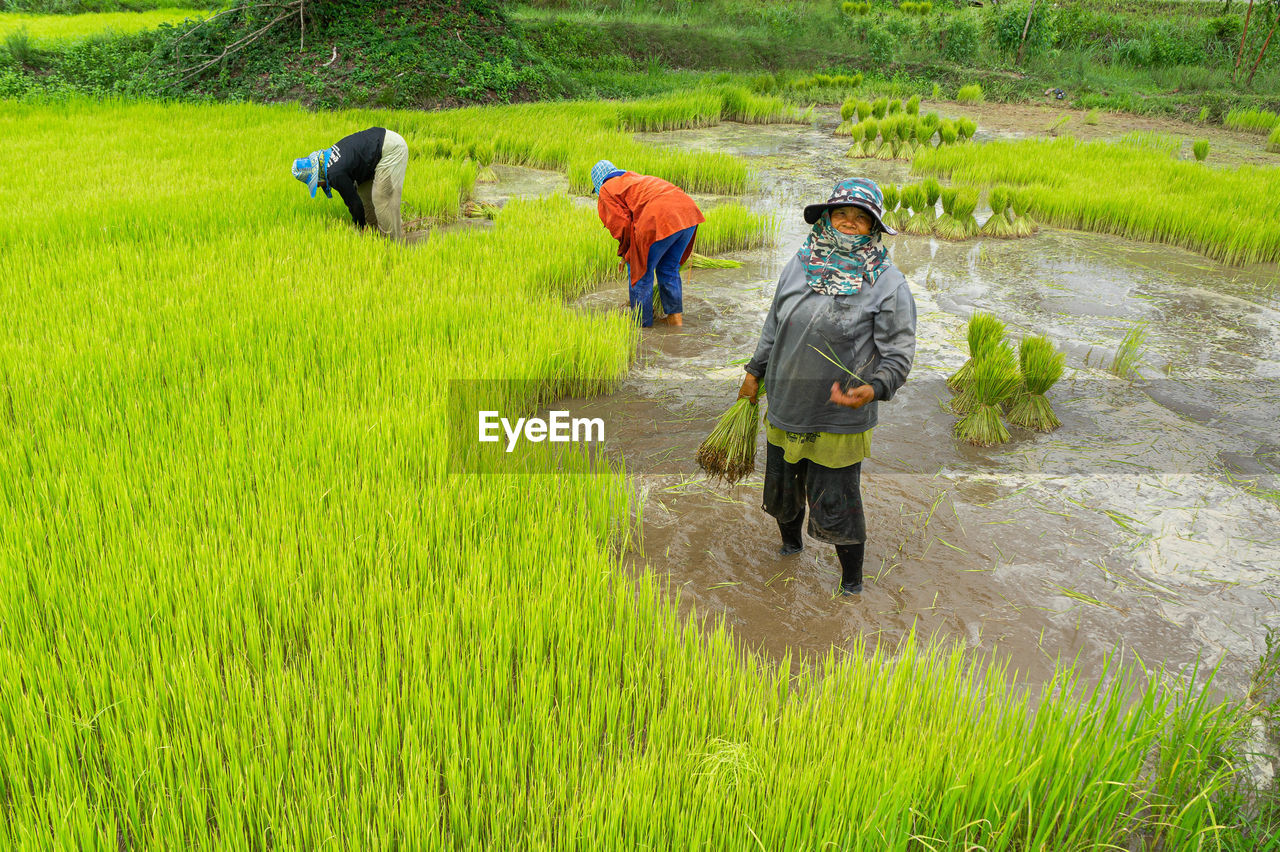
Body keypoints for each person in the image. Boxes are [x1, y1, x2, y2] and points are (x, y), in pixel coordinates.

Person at [738, 177, 916, 596]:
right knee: (782, 489)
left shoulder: (888, 283)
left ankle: (851, 586)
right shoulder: (799, 264)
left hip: (838, 415)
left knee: (838, 503)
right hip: (786, 402)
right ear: (826, 219)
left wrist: (874, 388)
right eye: (842, 215)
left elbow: (898, 353)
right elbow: (774, 324)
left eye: (861, 218)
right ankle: (789, 550)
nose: (850, 224)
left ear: (874, 228)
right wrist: (754, 371)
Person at [591, 160, 704, 328]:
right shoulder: (633, 179)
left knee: (639, 271)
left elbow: (622, 225)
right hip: (688, 214)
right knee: (668, 268)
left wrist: (626, 255)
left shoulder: (607, 188)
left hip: (660, 218)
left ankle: (642, 327)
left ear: (599, 182)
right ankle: (675, 321)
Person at [292, 127, 408, 240]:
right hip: (375, 150)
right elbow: (357, 199)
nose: (317, 186)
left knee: (381, 198)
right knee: (365, 197)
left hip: (391, 149)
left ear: (317, 175)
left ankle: (393, 244)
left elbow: (354, 204)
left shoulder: (334, 174)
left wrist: (360, 226)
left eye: (315, 183)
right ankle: (376, 235)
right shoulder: (328, 160)